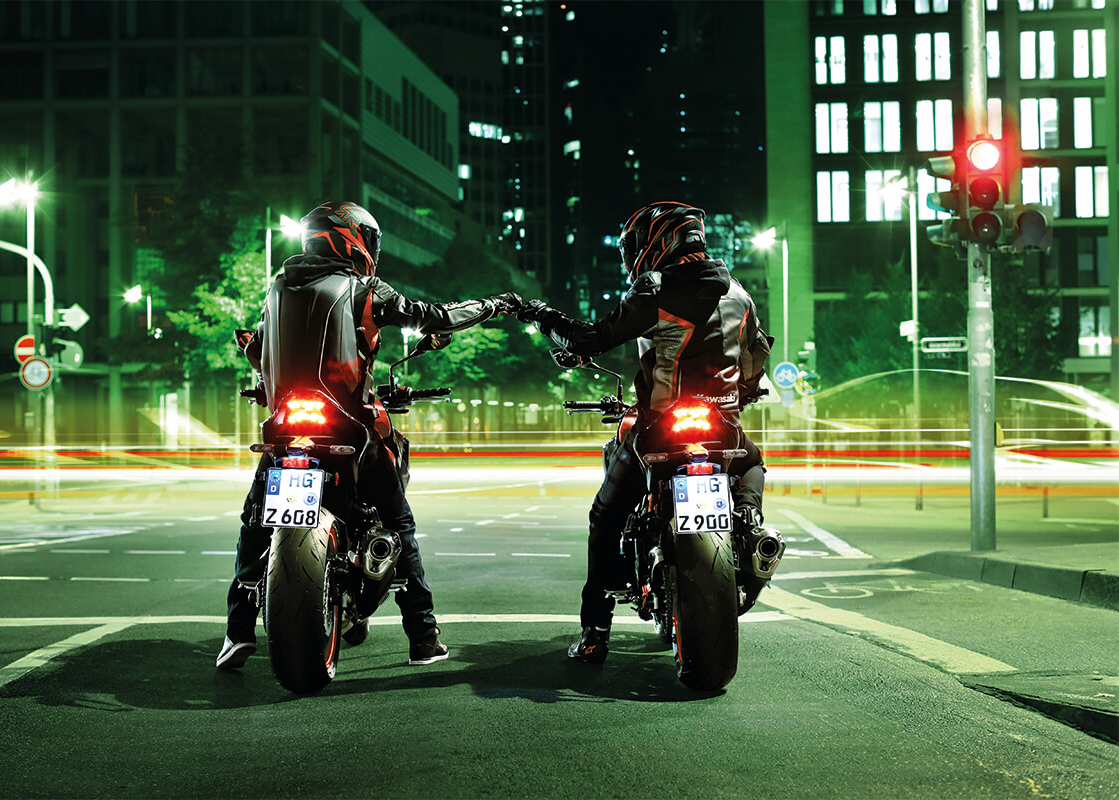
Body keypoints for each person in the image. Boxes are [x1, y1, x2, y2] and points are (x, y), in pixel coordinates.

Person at [217, 201, 520, 670]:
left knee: (254, 524)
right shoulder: (365, 288)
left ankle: (237, 633)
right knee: (400, 524)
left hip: (283, 432)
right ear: (357, 240)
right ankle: (422, 633)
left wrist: (265, 386)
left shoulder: (277, 288)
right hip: (351, 431)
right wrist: (495, 304)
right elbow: (434, 315)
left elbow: (258, 348)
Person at [518, 201, 773, 665]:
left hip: (660, 430)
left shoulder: (654, 287)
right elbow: (756, 357)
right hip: (722, 428)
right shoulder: (738, 293)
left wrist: (542, 316)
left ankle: (595, 631)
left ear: (656, 242)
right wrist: (746, 389)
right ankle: (752, 529)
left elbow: (593, 338)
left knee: (604, 516)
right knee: (752, 463)